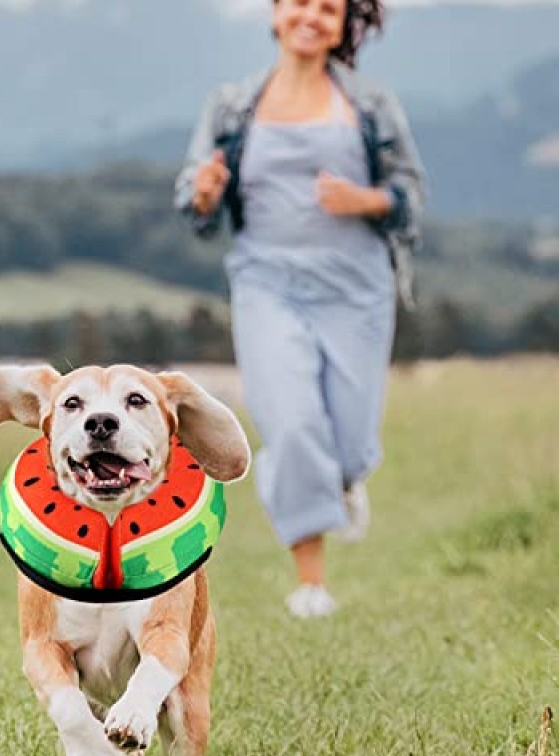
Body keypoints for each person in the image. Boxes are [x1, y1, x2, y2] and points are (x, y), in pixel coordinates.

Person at [174, 0, 426, 617]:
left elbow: (411, 199)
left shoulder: (372, 105)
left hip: (356, 289)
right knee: (290, 421)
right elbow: (193, 198)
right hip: (267, 285)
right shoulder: (232, 106)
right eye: (300, 4)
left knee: (350, 432)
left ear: (345, 24)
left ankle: (343, 476)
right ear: (276, 13)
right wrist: (203, 194)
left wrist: (364, 199)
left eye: (329, 8)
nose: (311, 17)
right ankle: (311, 583)